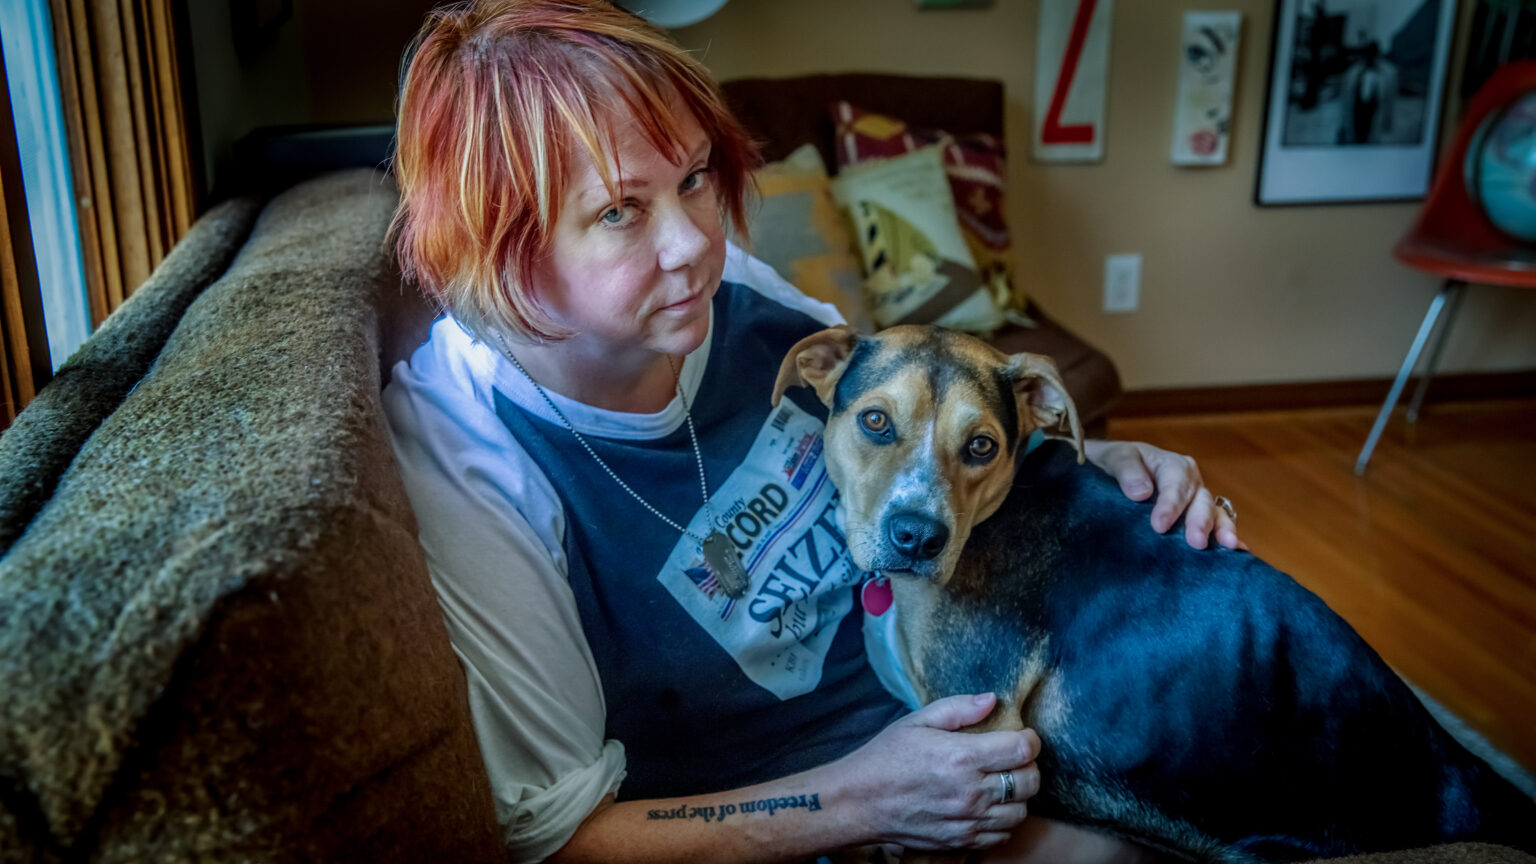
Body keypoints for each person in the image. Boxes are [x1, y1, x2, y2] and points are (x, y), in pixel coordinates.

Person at [383, 2, 1241, 861]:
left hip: (961, 704)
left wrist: (1082, 462)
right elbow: (562, 841)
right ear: (497, 244)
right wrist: (864, 802)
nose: (695, 242)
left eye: (693, 178)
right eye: (619, 211)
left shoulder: (729, 293)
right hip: (807, 822)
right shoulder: (470, 452)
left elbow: (910, 426)